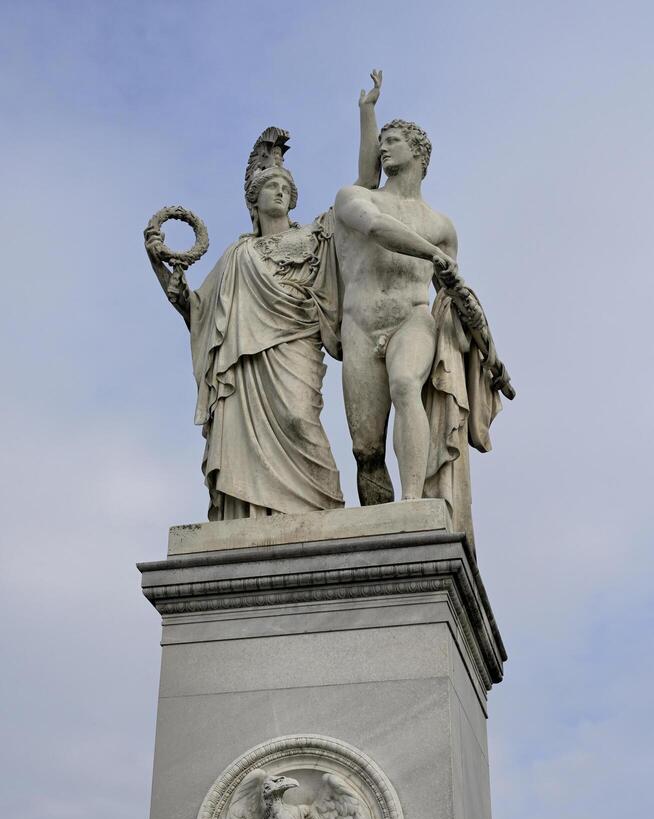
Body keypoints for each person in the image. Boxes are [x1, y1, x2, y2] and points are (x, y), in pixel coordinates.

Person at [145, 73, 383, 520]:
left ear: (293, 199)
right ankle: (254, 514)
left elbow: (366, 182)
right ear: (254, 202)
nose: (279, 190)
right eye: (270, 187)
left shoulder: (318, 233)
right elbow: (197, 312)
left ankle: (324, 512)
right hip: (248, 363)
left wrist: (366, 112)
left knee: (299, 419)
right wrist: (159, 264)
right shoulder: (239, 255)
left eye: (285, 187)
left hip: (296, 344)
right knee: (245, 428)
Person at [334, 116, 501, 549]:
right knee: (366, 450)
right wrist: (432, 254)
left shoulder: (442, 225)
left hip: (413, 317)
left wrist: (489, 350)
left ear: (418, 153)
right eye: (381, 141)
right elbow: (375, 228)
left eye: (392, 141)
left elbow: (456, 296)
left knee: (407, 384)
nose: (383, 148)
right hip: (359, 325)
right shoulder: (354, 197)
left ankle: (412, 504)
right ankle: (376, 535)